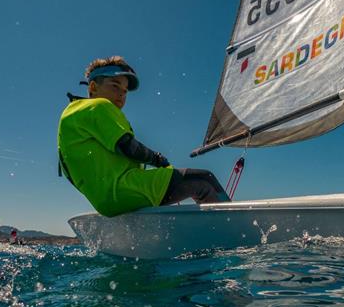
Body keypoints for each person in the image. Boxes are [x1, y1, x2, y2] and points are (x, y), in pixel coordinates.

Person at [58, 56, 230, 217]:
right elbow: (127, 146)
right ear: (93, 87)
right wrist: (157, 158)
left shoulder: (72, 114)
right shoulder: (99, 106)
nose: (121, 94)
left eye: (125, 91)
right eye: (115, 86)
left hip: (104, 202)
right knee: (203, 179)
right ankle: (230, 225)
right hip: (125, 189)